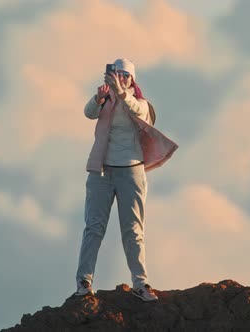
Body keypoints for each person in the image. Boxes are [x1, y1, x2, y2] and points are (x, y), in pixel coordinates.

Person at [74, 58, 178, 301]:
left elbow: (139, 112)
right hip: (101, 171)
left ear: (132, 79)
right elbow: (89, 113)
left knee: (133, 230)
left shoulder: (139, 102)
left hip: (131, 171)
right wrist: (100, 98)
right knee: (93, 227)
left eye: (126, 75)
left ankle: (140, 283)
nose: (120, 78)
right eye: (116, 73)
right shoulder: (106, 99)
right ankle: (84, 281)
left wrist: (122, 93)